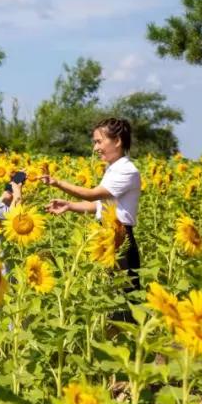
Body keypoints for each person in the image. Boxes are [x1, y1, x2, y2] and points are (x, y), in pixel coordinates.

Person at [40, 117, 142, 295]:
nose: (95, 148)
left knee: (123, 302)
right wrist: (70, 205)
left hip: (119, 238)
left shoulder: (126, 170)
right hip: (106, 235)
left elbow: (93, 194)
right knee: (107, 297)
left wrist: (57, 182)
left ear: (117, 141)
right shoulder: (113, 169)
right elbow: (99, 205)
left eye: (99, 142)